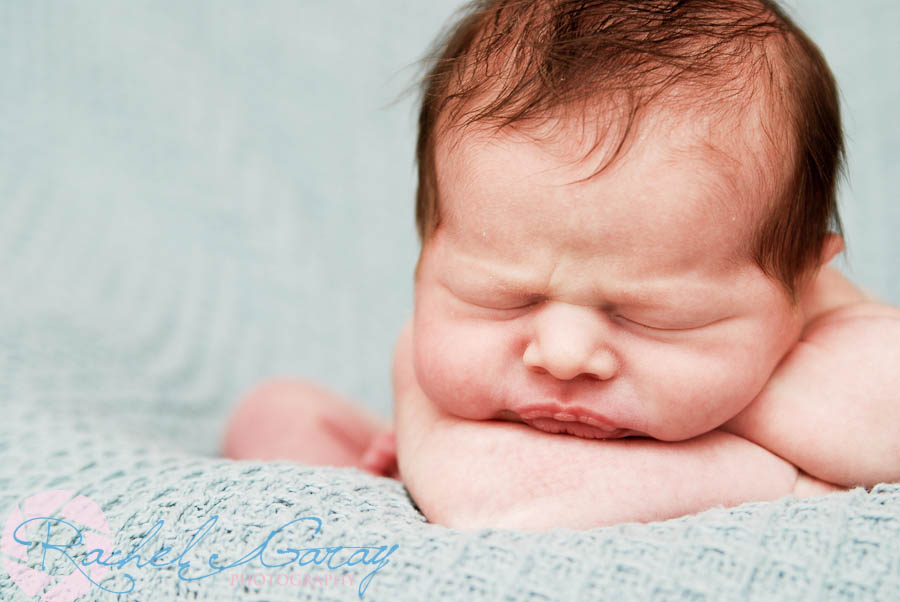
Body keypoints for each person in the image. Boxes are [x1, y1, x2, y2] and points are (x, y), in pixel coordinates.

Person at [222, 0, 900, 531]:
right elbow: (490, 501)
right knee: (275, 412)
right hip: (429, 469)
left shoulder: (838, 326)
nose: (565, 353)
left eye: (652, 316)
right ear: (431, 248)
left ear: (800, 284)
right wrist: (788, 476)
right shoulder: (431, 354)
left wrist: (727, 401)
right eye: (504, 297)